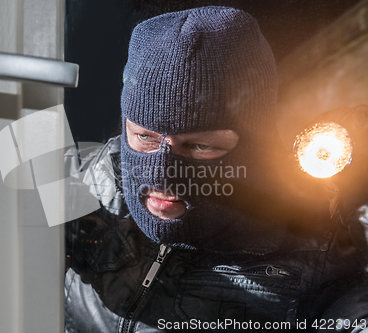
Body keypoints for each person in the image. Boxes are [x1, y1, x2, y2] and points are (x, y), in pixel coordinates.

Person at [64, 6, 368, 332]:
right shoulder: (91, 179)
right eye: (144, 136)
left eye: (200, 146)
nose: (163, 175)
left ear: (252, 149)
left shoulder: (317, 254)